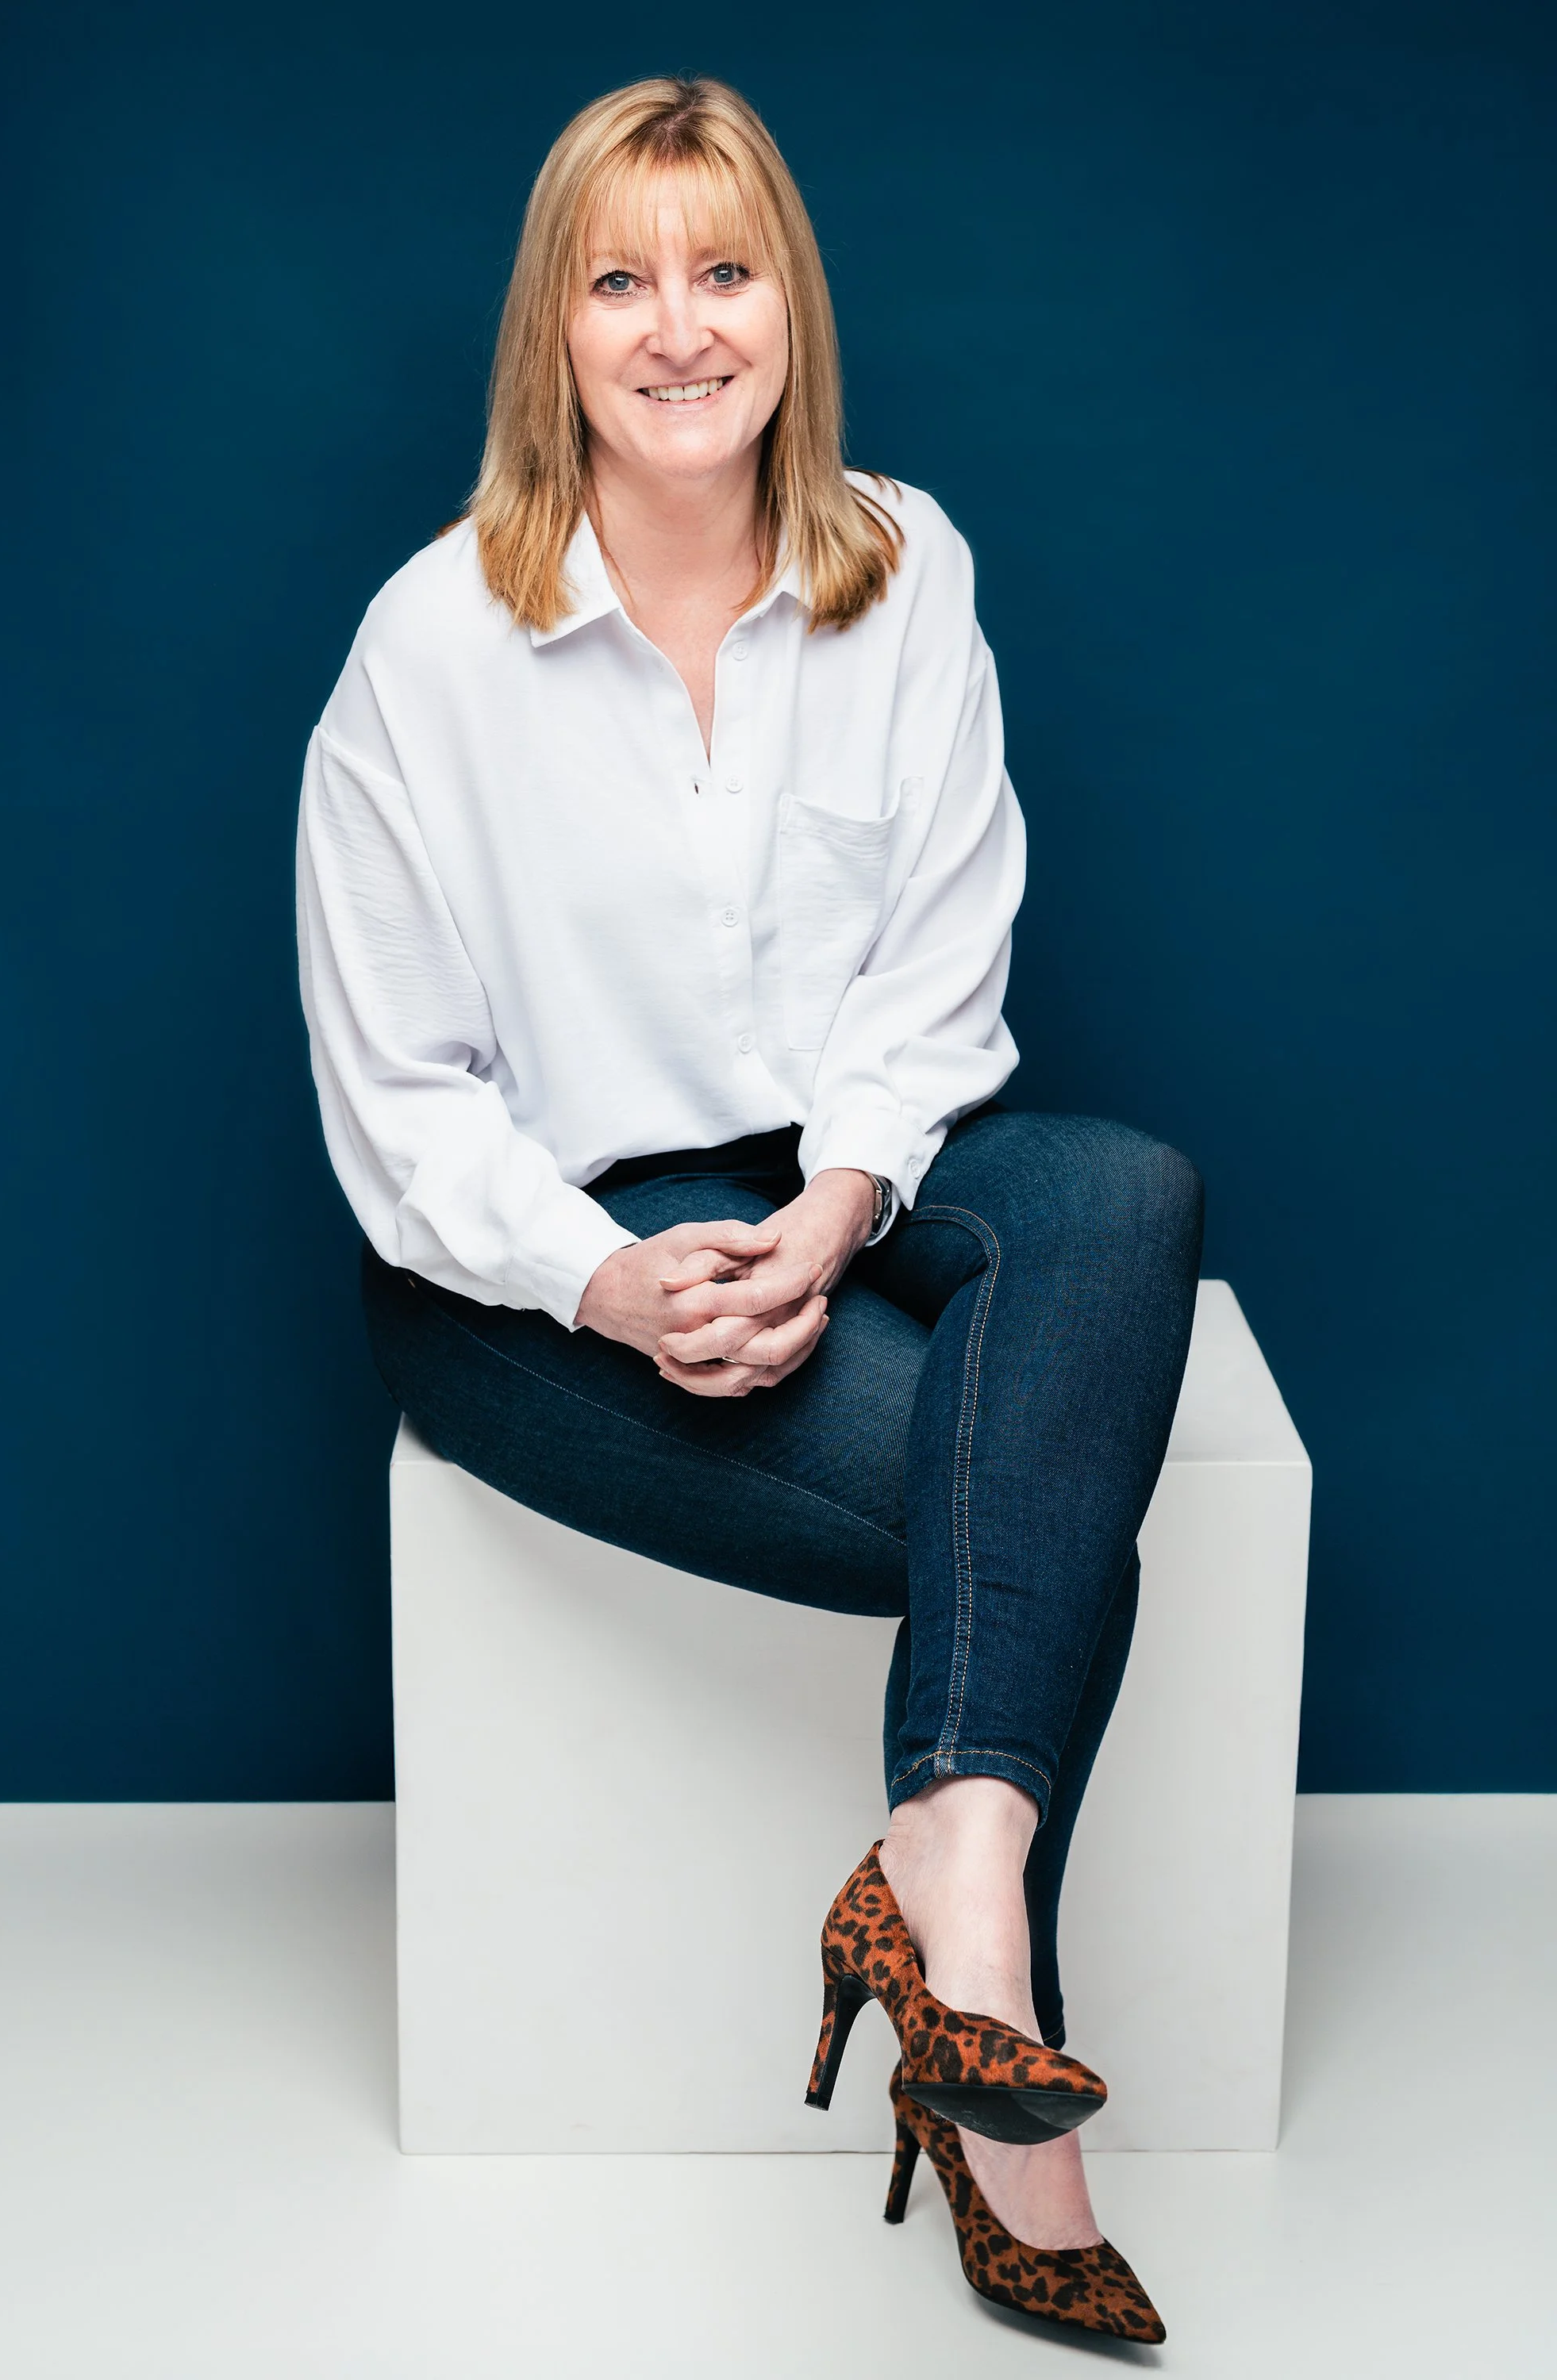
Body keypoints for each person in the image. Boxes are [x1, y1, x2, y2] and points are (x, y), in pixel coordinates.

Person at [298, 74, 1201, 2345]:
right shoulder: (431, 647)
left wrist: (842, 1196)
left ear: (792, 303)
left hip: (832, 1171)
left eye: (726, 270)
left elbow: (942, 955)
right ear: (557, 333)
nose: (679, 326)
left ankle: (951, 1876)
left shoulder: (905, 564)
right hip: (529, 1259)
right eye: (623, 281)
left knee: (1121, 1194)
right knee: (1032, 1502)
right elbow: (398, 1094)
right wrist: (603, 1274)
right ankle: (1024, 2145)